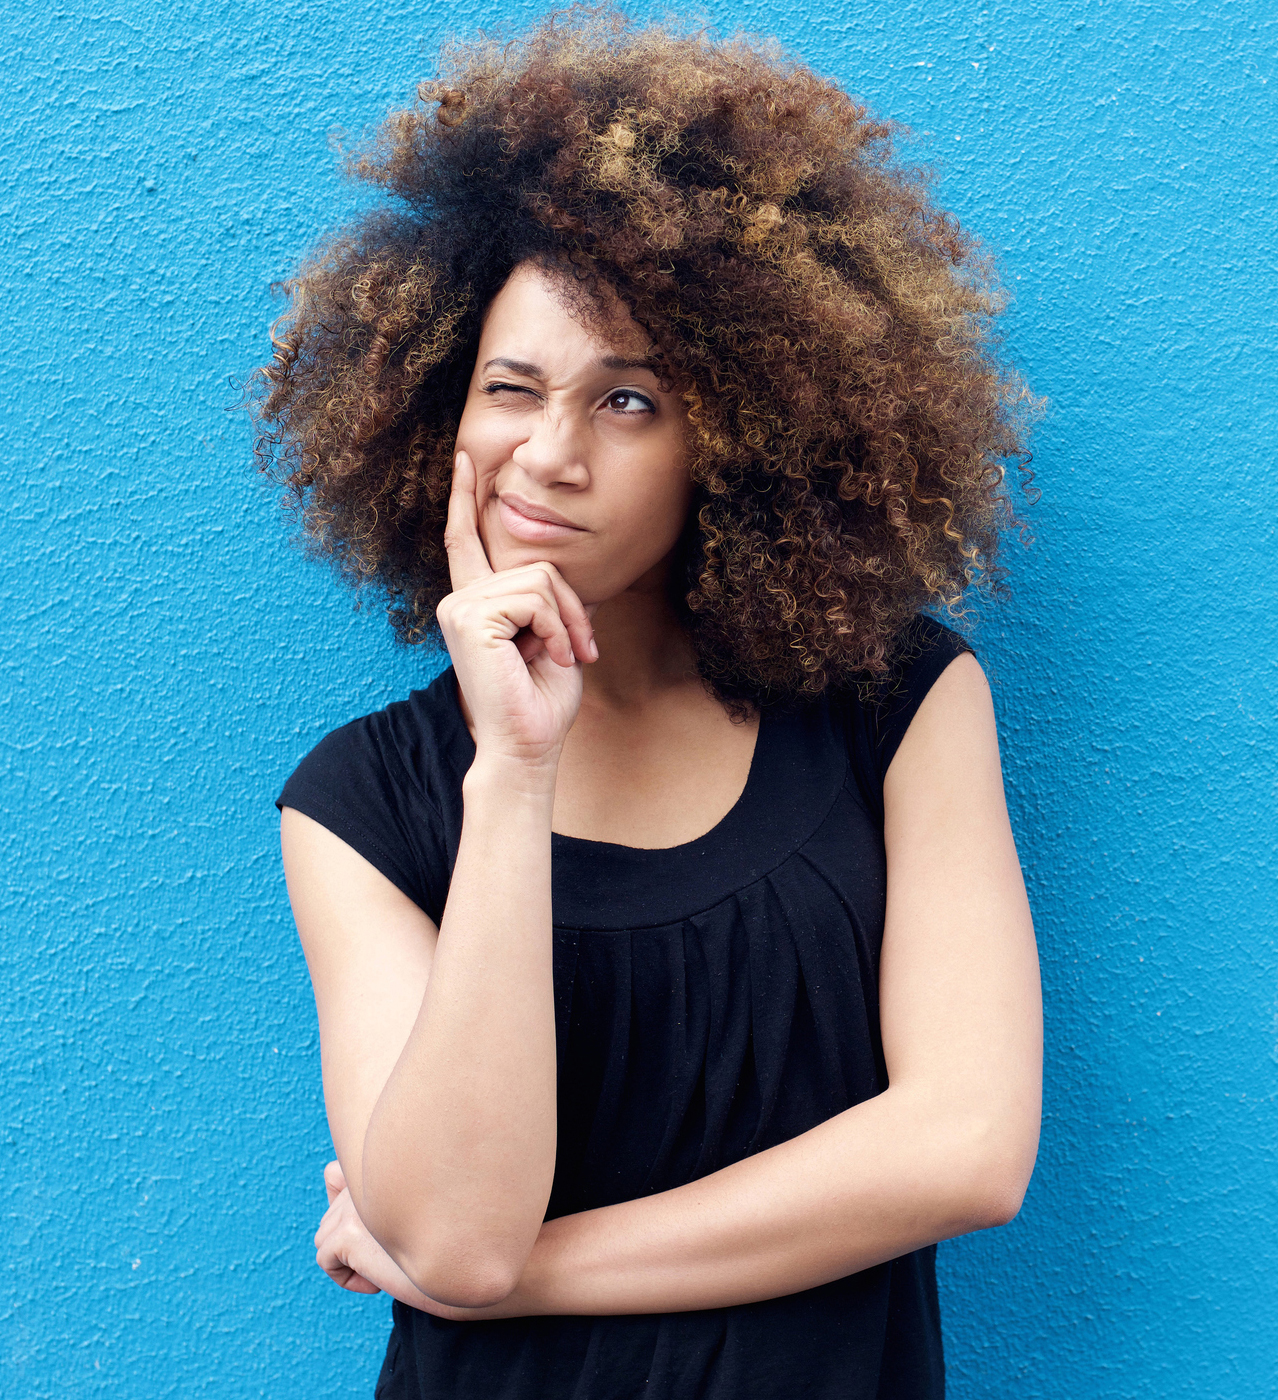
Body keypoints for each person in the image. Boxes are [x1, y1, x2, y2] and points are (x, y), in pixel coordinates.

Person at [254, 11, 1043, 1397]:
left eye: (628, 402)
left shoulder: (895, 706)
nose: (547, 456)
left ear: (738, 439)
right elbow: (455, 1235)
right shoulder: (360, 804)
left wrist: (509, 1280)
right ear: (440, 412)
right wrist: (510, 771)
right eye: (511, 390)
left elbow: (968, 1149)